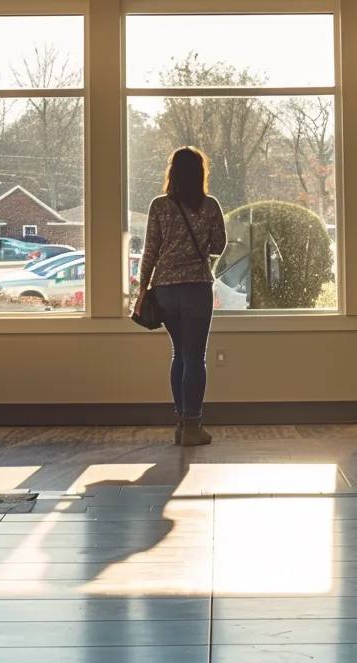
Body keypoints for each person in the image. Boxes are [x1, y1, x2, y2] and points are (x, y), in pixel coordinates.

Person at [135, 147, 226, 447]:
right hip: (197, 288)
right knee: (194, 358)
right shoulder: (210, 206)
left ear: (171, 172)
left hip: (165, 290)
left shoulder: (159, 206)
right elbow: (218, 245)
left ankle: (180, 423)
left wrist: (140, 292)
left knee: (179, 355)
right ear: (201, 173)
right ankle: (192, 427)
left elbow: (150, 251)